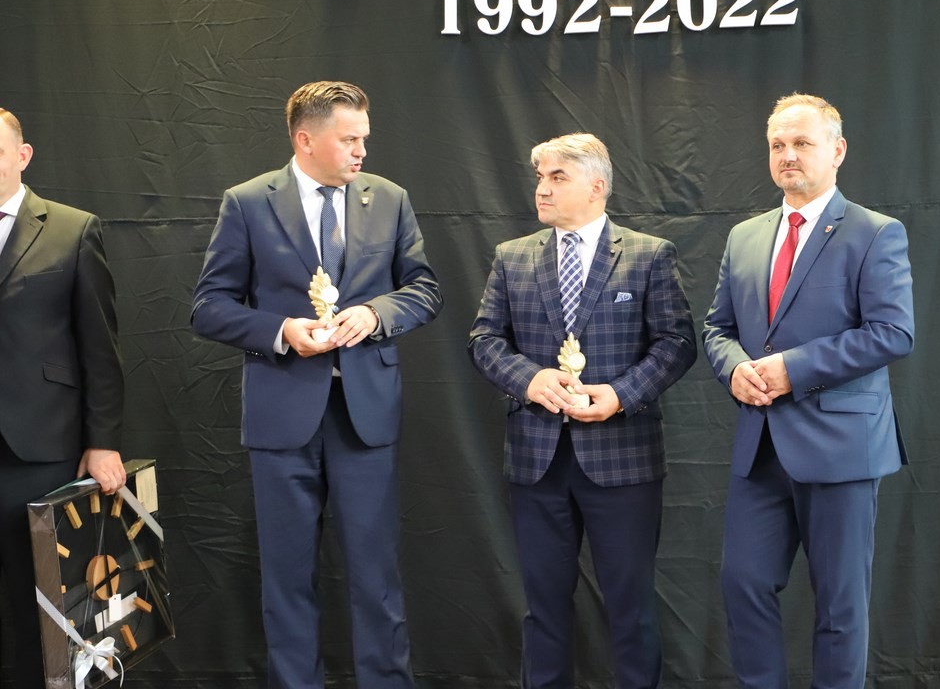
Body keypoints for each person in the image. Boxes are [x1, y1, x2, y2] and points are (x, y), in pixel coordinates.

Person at [191, 81, 442, 689]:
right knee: (286, 580)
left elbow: (424, 290)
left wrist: (376, 314)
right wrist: (282, 330)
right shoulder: (248, 203)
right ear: (305, 139)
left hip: (366, 417)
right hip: (282, 416)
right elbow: (208, 306)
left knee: (377, 580)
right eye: (349, 139)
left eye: (364, 139)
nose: (362, 151)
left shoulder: (389, 199)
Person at [468, 133, 697, 689]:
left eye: (557, 177)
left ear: (597, 187)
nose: (541, 189)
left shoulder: (648, 255)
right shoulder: (513, 257)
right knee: (543, 609)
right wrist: (530, 380)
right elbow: (484, 340)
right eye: (540, 177)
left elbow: (676, 343)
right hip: (537, 461)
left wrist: (619, 394)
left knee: (631, 608)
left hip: (623, 459)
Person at [701, 94, 915, 689]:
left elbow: (893, 332)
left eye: (802, 143)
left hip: (841, 447)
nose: (788, 155)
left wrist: (791, 369)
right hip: (761, 447)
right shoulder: (744, 236)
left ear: (837, 151)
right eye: (777, 145)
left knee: (840, 606)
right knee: (743, 584)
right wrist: (735, 368)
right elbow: (717, 328)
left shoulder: (875, 232)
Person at [0, 107, 127, 687]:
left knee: (45, 612)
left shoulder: (73, 230)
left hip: (41, 449)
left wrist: (102, 442)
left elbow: (100, 347)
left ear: (23, 156)